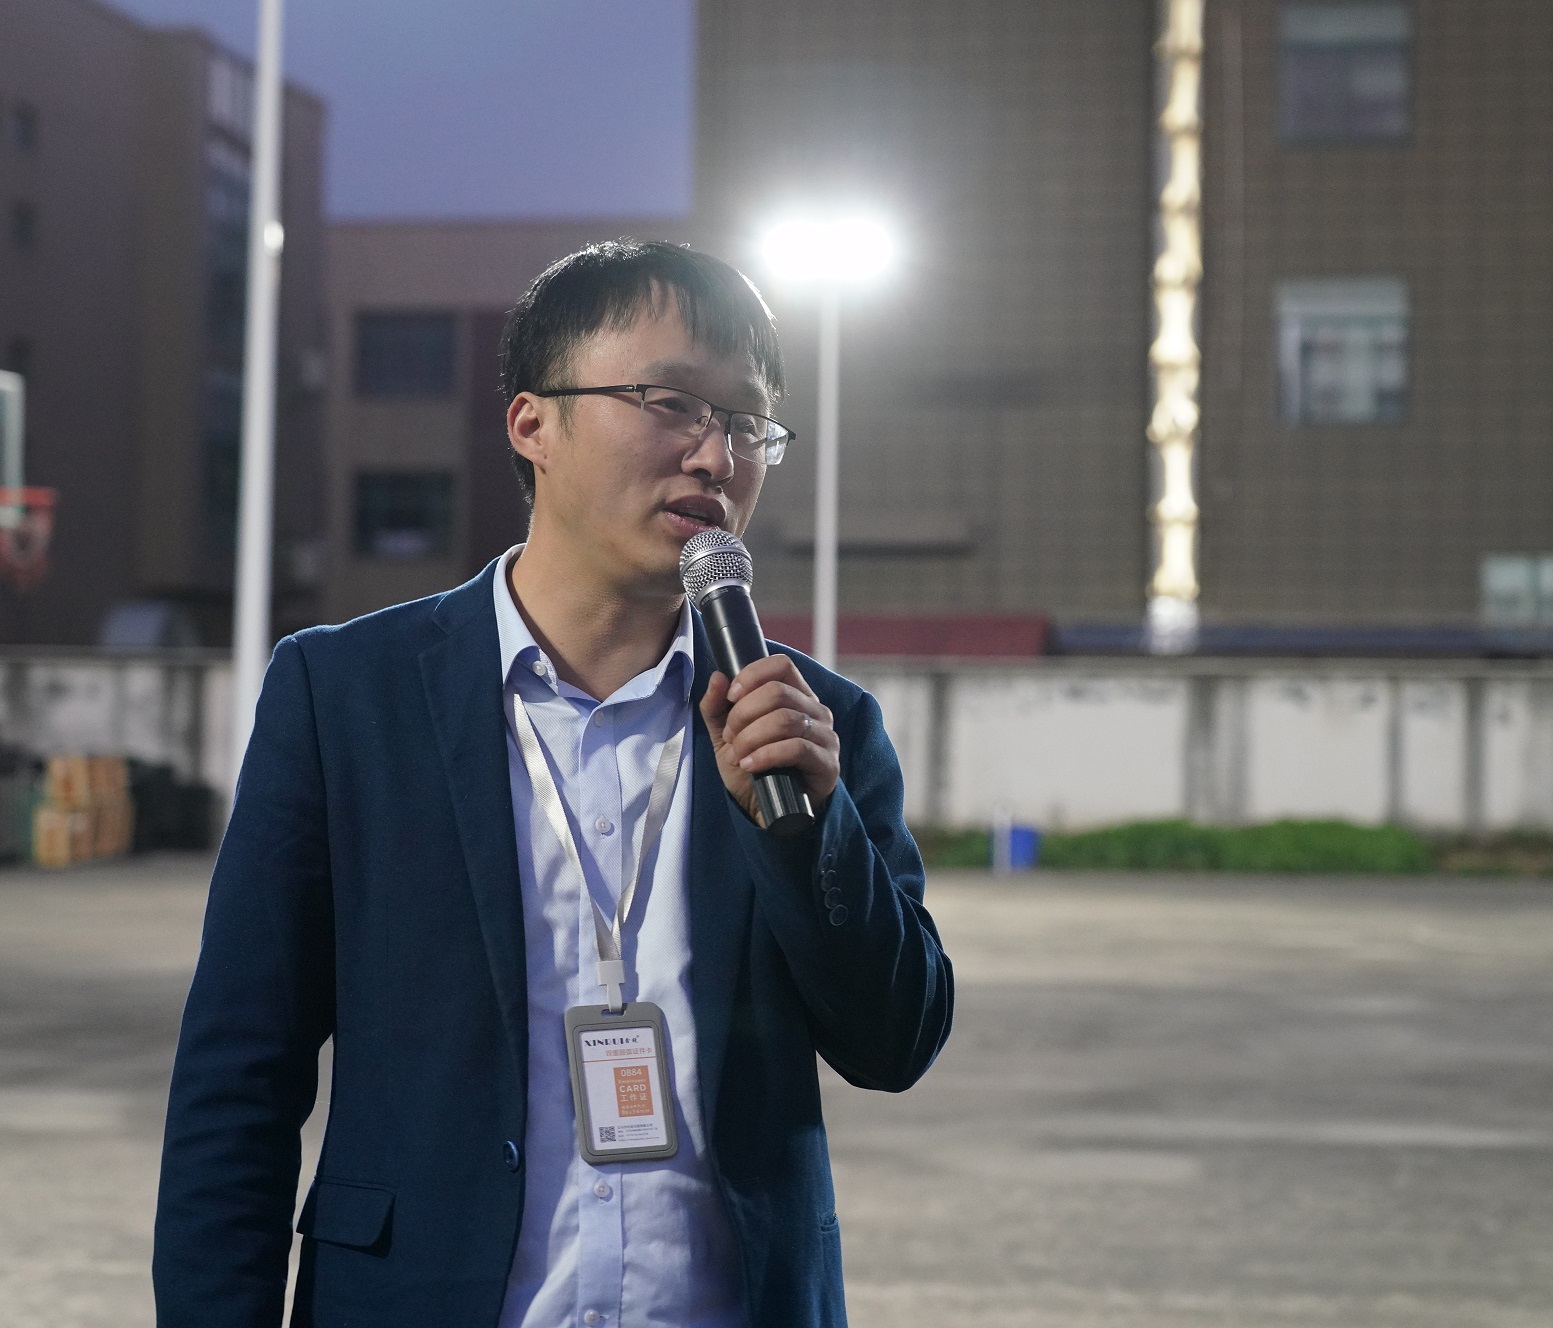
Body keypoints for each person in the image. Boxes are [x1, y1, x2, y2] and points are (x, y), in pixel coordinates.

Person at [153, 239, 954, 1328]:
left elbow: (895, 1042)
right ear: (533, 424)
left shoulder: (814, 722)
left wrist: (809, 834)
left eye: (749, 424)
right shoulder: (345, 698)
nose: (716, 456)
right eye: (673, 403)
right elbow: (239, 1080)